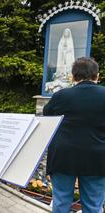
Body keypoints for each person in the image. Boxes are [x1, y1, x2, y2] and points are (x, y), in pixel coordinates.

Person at [43, 57, 105, 213]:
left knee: (61, 203)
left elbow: (47, 118)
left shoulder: (60, 96)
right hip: (97, 158)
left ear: (73, 76)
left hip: (63, 156)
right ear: (97, 76)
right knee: (93, 206)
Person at [45, 28, 75, 94]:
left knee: (68, 66)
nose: (66, 33)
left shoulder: (70, 40)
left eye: (67, 32)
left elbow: (71, 49)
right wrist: (63, 50)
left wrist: (67, 50)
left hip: (68, 57)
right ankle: (61, 76)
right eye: (65, 32)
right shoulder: (62, 40)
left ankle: (67, 77)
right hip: (62, 56)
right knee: (62, 66)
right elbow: (59, 47)